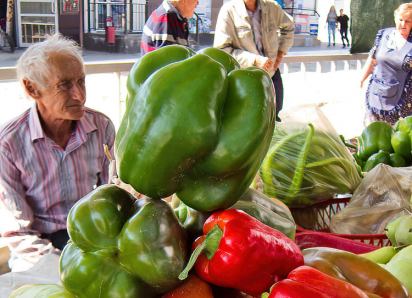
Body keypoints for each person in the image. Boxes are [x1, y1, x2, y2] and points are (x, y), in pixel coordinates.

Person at [0, 34, 115, 271]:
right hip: (38, 245)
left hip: (92, 237)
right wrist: (62, 266)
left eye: (81, 81)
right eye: (64, 85)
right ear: (32, 88)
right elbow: (18, 232)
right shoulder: (8, 144)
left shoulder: (101, 127)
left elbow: (114, 196)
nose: (79, 95)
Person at [213, 0, 294, 121]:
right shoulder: (229, 10)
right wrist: (253, 60)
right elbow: (222, 50)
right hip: (244, 80)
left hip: (271, 76)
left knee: (274, 119)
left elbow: (289, 27)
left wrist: (280, 54)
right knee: (249, 122)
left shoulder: (272, 7)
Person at [360, 3, 412, 126]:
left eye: (408, 21)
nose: (403, 24)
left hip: (402, 102)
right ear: (395, 18)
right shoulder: (384, 35)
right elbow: (372, 60)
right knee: (374, 132)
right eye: (400, 20)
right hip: (377, 94)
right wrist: (361, 79)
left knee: (397, 137)